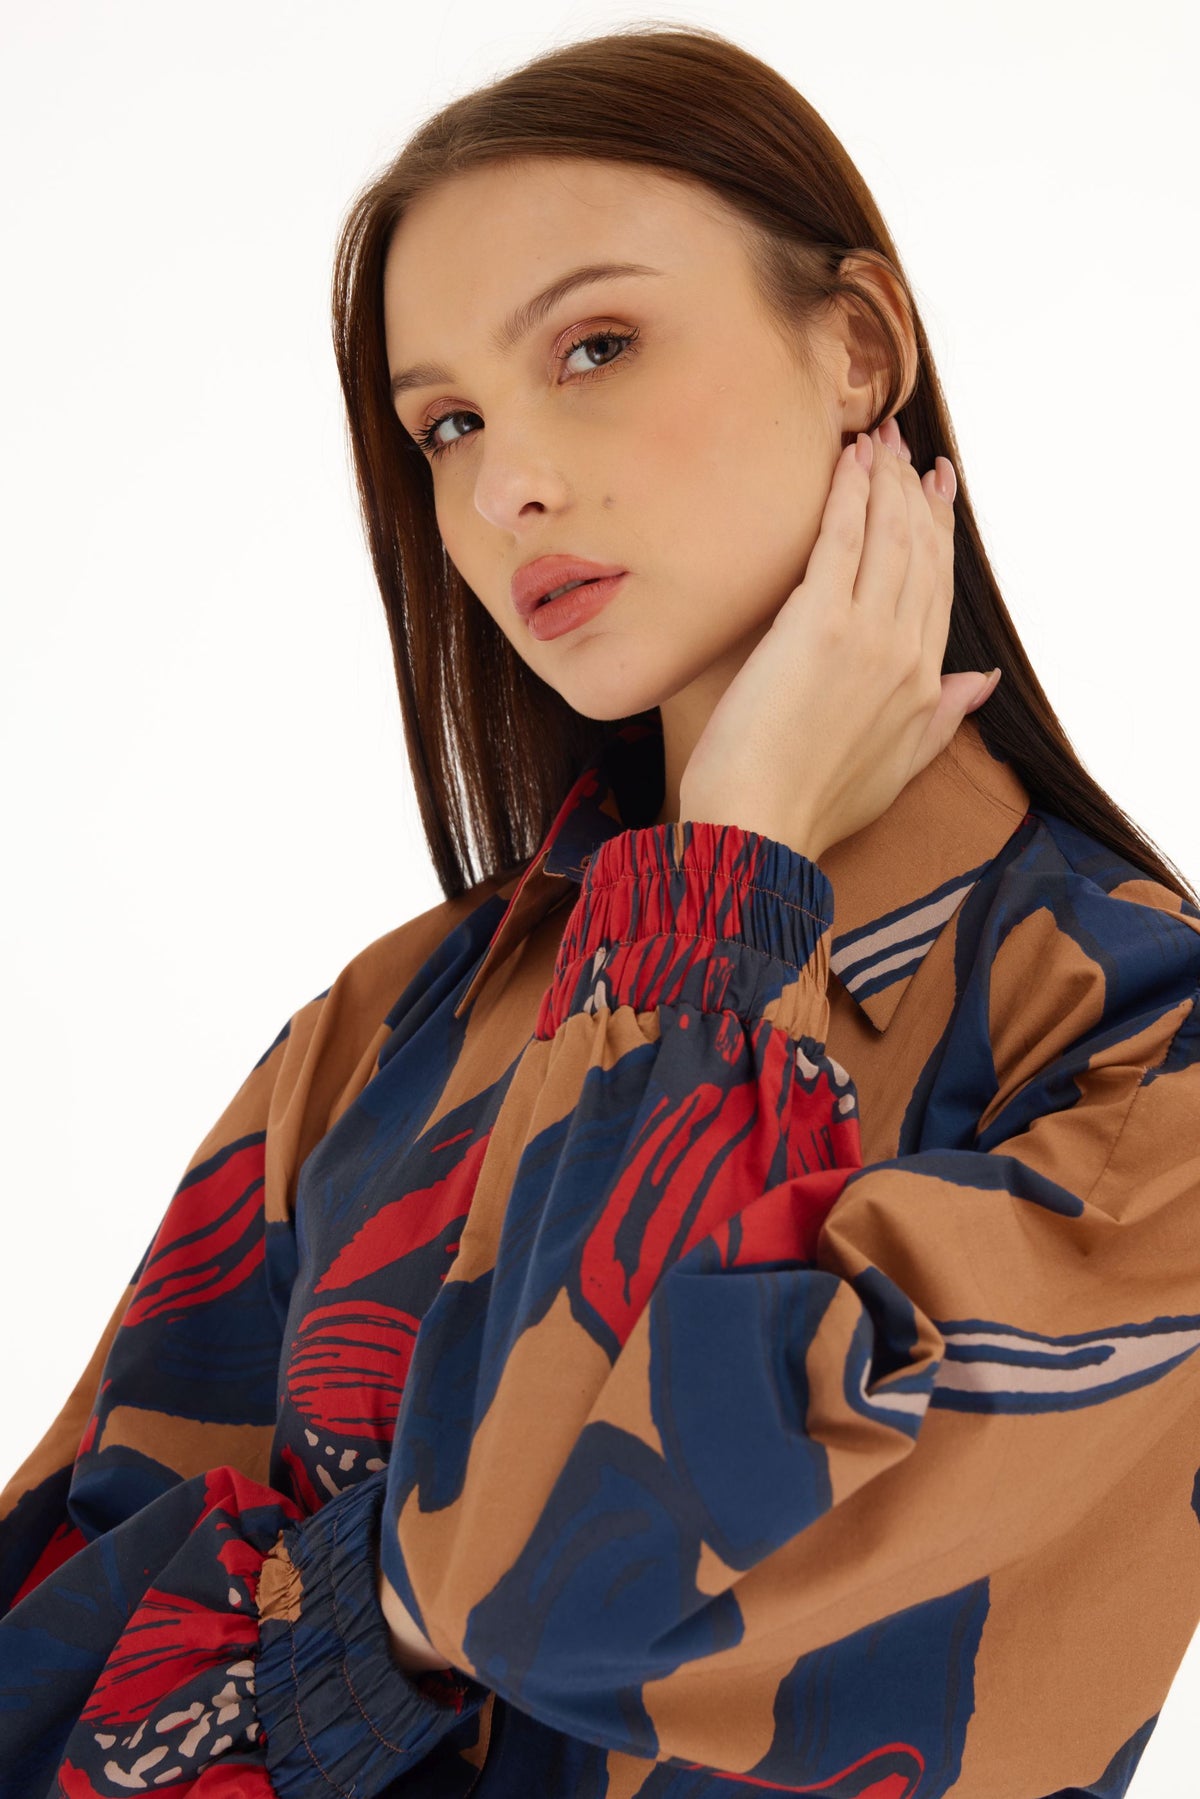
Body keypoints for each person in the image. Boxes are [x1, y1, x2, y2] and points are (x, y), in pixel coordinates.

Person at [2, 21, 1197, 1799]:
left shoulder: (1140, 1062)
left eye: (596, 347)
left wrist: (739, 863)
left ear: (860, 347)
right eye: (448, 423)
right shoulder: (396, 1023)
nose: (507, 487)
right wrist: (398, 1597)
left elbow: (564, 1586)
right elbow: (37, 1675)